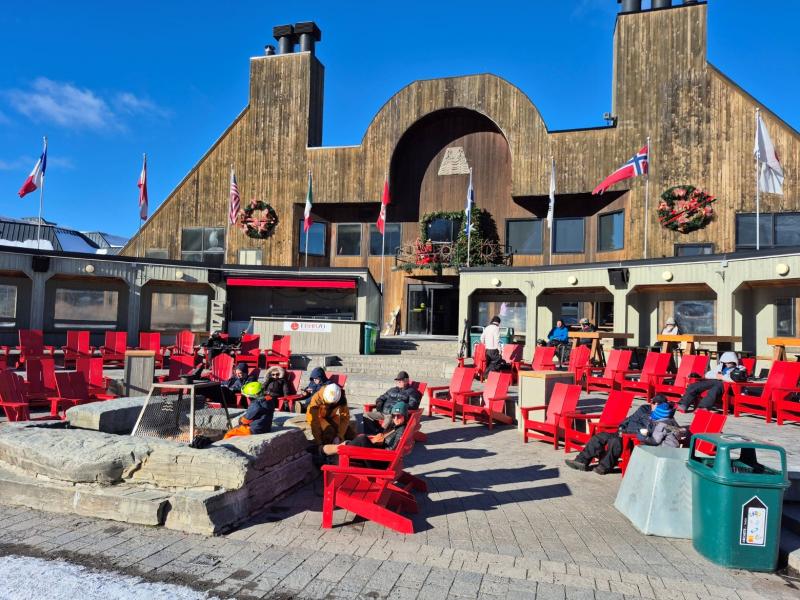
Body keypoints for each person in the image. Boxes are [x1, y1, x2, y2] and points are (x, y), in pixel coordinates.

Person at [565, 395, 680, 474]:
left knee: (614, 442)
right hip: (622, 432)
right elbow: (630, 418)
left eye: (655, 403)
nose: (652, 405)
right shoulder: (644, 408)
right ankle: (581, 461)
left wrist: (630, 432)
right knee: (599, 437)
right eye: (652, 402)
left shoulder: (660, 416)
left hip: (631, 437)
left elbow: (652, 433)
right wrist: (621, 426)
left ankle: (604, 467)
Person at [322, 402, 410, 460]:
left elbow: (390, 450)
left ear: (405, 416)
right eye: (394, 416)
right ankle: (330, 450)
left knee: (361, 440)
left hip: (379, 459)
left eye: (399, 416)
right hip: (379, 452)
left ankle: (325, 451)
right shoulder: (398, 427)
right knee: (360, 439)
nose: (395, 418)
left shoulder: (401, 431)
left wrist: (376, 447)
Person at [362, 371, 422, 435]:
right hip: (383, 413)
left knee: (389, 418)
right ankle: (372, 433)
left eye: (401, 380)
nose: (398, 382)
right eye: (398, 380)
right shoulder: (392, 390)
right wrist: (379, 402)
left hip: (395, 415)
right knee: (366, 415)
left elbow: (413, 405)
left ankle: (380, 435)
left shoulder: (412, 392)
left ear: (407, 380)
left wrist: (400, 408)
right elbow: (382, 397)